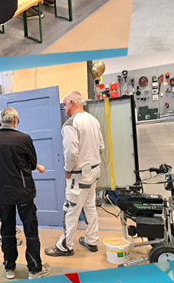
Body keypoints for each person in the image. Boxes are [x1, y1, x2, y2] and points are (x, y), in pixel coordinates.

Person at [0, 107, 49, 279]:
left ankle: (9, 268)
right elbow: (32, 162)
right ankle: (34, 269)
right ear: (14, 120)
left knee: (6, 231)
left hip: (2, 194)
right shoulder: (24, 138)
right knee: (30, 231)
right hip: (23, 193)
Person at [47, 91, 105, 257]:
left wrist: (67, 170)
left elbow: (71, 153)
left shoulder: (71, 124)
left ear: (72, 102)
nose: (64, 108)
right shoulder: (92, 119)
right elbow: (101, 146)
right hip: (94, 171)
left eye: (65, 104)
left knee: (70, 209)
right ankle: (92, 240)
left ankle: (65, 246)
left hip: (79, 175)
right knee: (89, 207)